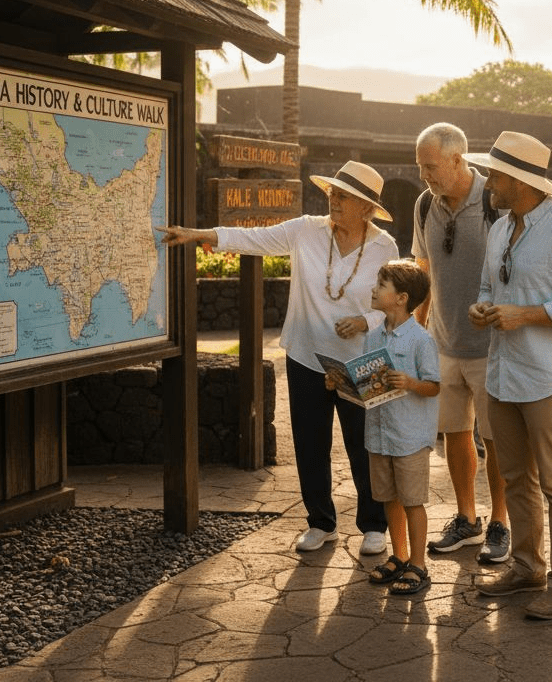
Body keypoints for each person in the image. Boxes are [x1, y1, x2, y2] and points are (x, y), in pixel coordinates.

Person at [157, 161, 398, 556]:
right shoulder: (305, 229)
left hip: (365, 360)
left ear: (368, 208)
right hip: (306, 355)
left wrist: (365, 321)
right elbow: (255, 238)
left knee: (367, 445)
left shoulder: (385, 247)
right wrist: (198, 234)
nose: (333, 200)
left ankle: (374, 525)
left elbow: (392, 303)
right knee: (310, 444)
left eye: (344, 196)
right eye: (333, 193)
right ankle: (320, 523)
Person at [466, 131, 552, 620]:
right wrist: (482, 308)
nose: (487, 183)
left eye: (495, 175)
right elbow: (488, 286)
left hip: (550, 379)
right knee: (515, 478)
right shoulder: (500, 228)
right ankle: (527, 569)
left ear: (520, 181)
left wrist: (524, 315)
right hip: (504, 374)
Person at [411, 122, 511, 564]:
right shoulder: (423, 205)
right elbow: (423, 270)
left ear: (457, 160)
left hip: (492, 348)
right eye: (420, 166)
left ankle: (501, 522)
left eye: (430, 166)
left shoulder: (495, 199)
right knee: (454, 434)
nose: (424, 175)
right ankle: (467, 519)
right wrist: (416, 332)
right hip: (443, 344)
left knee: (496, 439)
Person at [345, 260, 440, 595]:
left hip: (409, 437)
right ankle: (399, 556)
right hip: (379, 434)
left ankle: (419, 565)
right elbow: (368, 387)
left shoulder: (421, 340)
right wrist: (342, 383)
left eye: (381, 285)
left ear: (401, 298)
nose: (373, 290)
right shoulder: (372, 337)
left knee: (412, 501)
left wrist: (411, 383)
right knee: (388, 498)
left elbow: (434, 386)